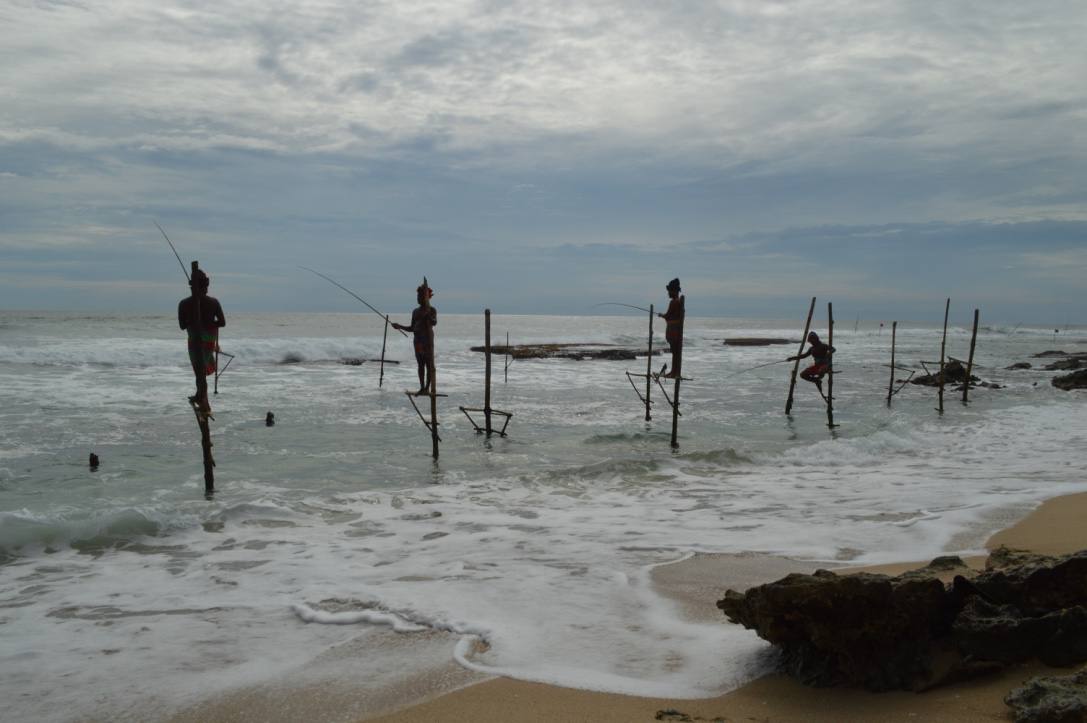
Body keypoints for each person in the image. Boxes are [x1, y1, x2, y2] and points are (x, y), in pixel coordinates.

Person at [178, 268, 225, 414]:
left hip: (194, 339)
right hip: (208, 340)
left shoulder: (183, 303)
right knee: (201, 371)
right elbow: (222, 323)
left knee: (199, 370)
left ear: (192, 286)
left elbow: (182, 326)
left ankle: (202, 399)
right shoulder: (214, 302)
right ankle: (201, 396)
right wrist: (209, 323)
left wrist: (195, 322)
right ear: (205, 286)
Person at [392, 284, 437, 395]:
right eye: (417, 296)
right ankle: (422, 387)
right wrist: (399, 326)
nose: (417, 298)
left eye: (420, 296)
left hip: (427, 341)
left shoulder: (431, 310)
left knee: (429, 365)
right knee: (420, 365)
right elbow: (412, 328)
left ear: (426, 298)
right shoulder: (415, 311)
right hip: (417, 342)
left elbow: (434, 322)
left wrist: (429, 317)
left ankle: (427, 388)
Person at [658, 278, 685, 378]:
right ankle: (674, 371)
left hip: (673, 331)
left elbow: (668, 315)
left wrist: (661, 315)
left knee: (675, 352)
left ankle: (674, 372)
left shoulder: (674, 302)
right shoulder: (678, 302)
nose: (668, 293)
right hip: (675, 330)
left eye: (669, 291)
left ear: (674, 291)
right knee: (675, 352)